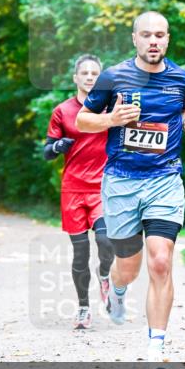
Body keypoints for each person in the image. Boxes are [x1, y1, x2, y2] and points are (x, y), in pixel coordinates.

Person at [76, 11, 185, 369]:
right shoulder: (114, 76)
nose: (153, 41)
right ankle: (115, 288)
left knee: (160, 261)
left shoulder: (182, 78)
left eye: (160, 35)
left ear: (168, 39)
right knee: (128, 268)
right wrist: (112, 120)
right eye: (146, 35)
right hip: (122, 183)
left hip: (164, 180)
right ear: (134, 39)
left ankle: (155, 353)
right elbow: (83, 120)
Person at [44, 54, 114, 330]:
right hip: (72, 189)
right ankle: (84, 308)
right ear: (75, 78)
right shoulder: (62, 111)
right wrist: (58, 146)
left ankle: (105, 274)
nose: (89, 77)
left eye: (94, 73)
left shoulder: (109, 110)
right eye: (84, 73)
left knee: (107, 241)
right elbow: (47, 152)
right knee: (80, 254)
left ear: (101, 79)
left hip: (101, 187)